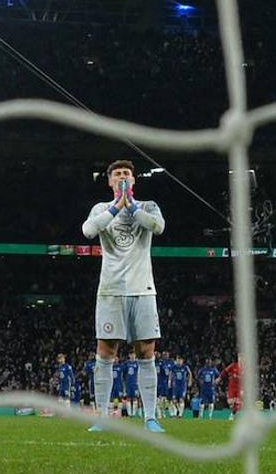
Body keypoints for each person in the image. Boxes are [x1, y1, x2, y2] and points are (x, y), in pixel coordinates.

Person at [82, 159, 167, 433]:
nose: (122, 177)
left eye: (126, 174)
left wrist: (130, 204)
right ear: (109, 181)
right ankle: (102, 417)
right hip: (110, 290)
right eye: (117, 174)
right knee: (106, 352)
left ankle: (151, 418)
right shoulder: (99, 209)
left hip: (143, 289)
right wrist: (117, 205)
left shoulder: (148, 205)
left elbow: (158, 226)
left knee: (146, 351)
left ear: (134, 180)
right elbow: (88, 231)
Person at [220, 356, 243, 421]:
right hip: (232, 387)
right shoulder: (233, 365)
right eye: (240, 357)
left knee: (238, 403)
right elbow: (225, 371)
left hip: (240, 388)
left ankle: (233, 415)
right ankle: (234, 413)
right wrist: (219, 378)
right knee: (231, 403)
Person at [157, 351, 174, 418]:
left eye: (166, 354)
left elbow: (172, 373)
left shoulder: (171, 363)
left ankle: (171, 413)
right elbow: (158, 372)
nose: (165, 356)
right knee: (160, 398)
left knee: (168, 399)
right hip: (161, 383)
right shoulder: (160, 363)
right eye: (164, 354)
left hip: (169, 383)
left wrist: (170, 381)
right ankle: (161, 414)